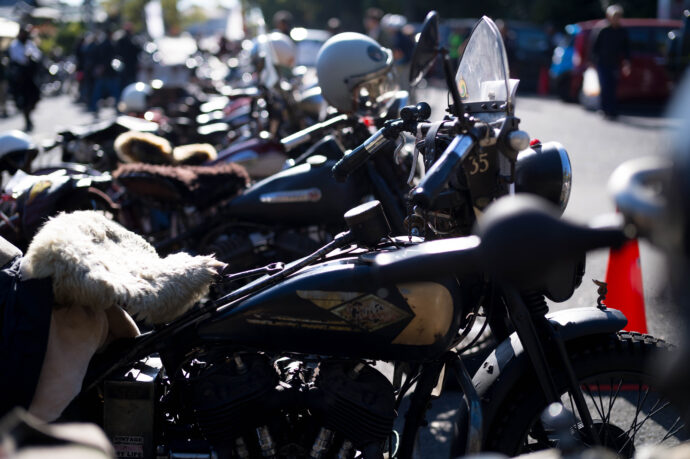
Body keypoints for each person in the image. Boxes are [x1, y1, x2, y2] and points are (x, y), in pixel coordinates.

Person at [590, 4, 631, 119]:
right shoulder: (603, 30)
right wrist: (592, 62)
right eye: (614, 16)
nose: (616, 19)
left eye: (618, 16)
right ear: (609, 17)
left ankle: (612, 110)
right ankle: (604, 109)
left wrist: (627, 63)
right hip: (602, 63)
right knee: (604, 86)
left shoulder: (622, 32)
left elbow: (627, 49)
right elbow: (594, 47)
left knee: (613, 87)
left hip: (614, 63)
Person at [7, 25, 41, 132]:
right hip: (20, 78)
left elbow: (38, 55)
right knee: (23, 100)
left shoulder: (30, 44)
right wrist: (26, 58)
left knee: (35, 97)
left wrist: (31, 57)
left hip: (30, 76)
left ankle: (28, 116)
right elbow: (18, 59)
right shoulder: (14, 45)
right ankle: (27, 120)